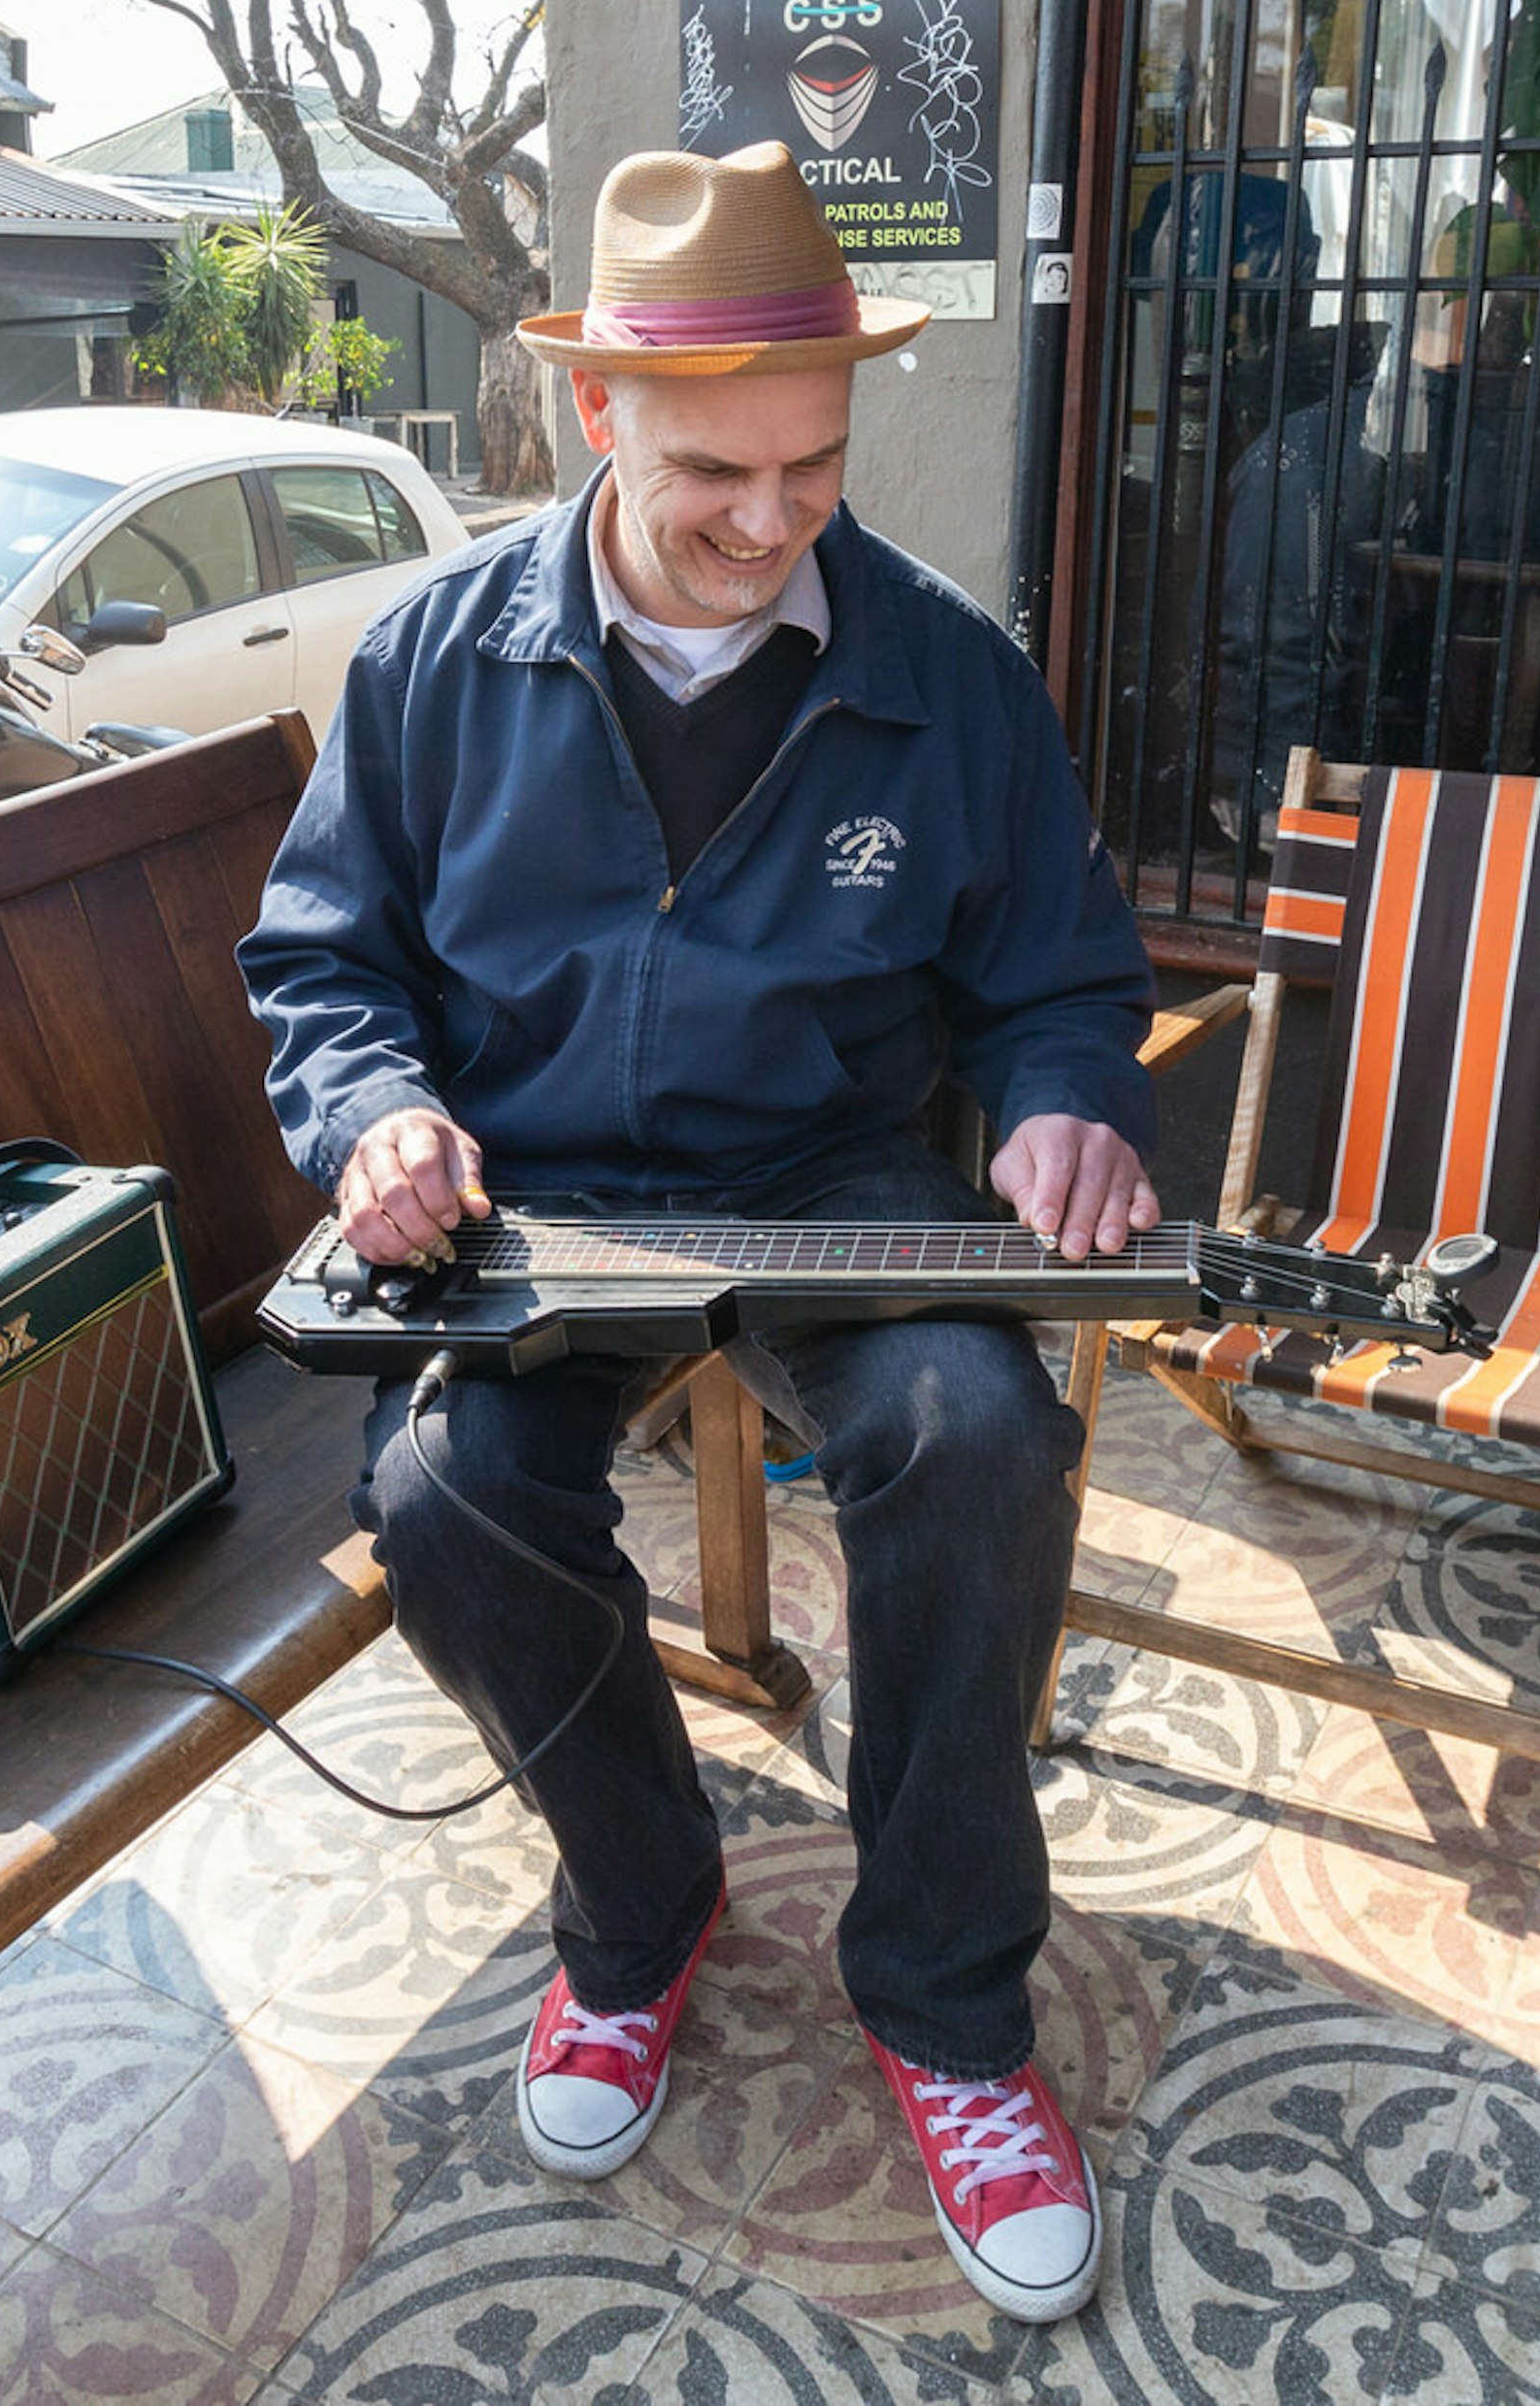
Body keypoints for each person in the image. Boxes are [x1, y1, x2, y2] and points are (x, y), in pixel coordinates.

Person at [240, 142, 1158, 2323]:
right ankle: (642, 1906)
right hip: (538, 1185)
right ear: (594, 418)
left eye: (816, 469)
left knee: (981, 1435)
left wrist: (1061, 1106)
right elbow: (327, 957)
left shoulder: (943, 678)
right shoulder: (440, 662)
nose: (772, 525)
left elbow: (1061, 965)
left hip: (828, 1168)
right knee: (446, 1491)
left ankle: (944, 1997)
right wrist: (379, 1118)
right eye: (714, 477)